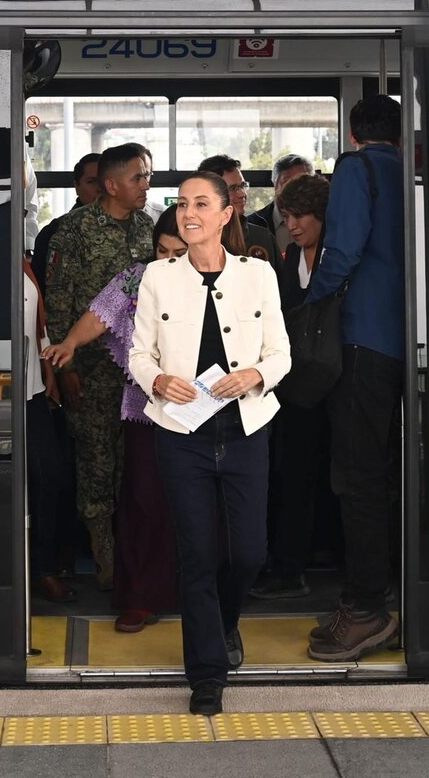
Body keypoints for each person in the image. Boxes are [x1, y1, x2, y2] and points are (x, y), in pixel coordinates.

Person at [128, 172, 291, 716]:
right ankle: (206, 676)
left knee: (249, 551)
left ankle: (225, 623)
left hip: (245, 428)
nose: (187, 213)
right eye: (180, 205)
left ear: (227, 214)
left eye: (201, 204)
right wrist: (156, 381)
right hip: (182, 433)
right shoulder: (157, 276)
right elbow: (138, 355)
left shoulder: (259, 274)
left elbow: (281, 354)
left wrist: (254, 376)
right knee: (196, 554)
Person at [42, 207, 183, 633]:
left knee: (195, 508)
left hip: (206, 413)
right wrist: (68, 344)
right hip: (146, 409)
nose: (168, 260)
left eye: (178, 252)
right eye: (161, 250)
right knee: (142, 501)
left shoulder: (222, 278)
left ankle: (199, 593)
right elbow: (101, 313)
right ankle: (139, 596)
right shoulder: (139, 276)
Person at [305, 94, 404, 662]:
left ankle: (367, 607)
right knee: (384, 470)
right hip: (408, 342)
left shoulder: (356, 167)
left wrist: (310, 306)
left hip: (363, 340)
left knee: (356, 473)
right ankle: (385, 592)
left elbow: (340, 252)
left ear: (352, 132)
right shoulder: (410, 168)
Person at [45, 143, 154, 590]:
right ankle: (104, 557)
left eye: (148, 176)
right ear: (111, 185)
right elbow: (59, 302)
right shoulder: (73, 231)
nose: (146, 185)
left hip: (141, 372)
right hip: (88, 367)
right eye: (138, 177)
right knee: (96, 461)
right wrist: (64, 369)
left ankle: (132, 552)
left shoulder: (149, 228)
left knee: (134, 463)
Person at [249, 173, 336, 601]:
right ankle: (289, 564)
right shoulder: (289, 258)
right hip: (294, 385)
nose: (294, 225)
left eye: (301, 216)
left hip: (330, 383)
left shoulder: (335, 259)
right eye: (287, 216)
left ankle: (301, 560)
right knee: (293, 475)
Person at [24, 258, 77, 604]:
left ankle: (43, 567)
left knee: (51, 476)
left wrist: (48, 374)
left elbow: (37, 325)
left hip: (33, 389)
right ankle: (34, 570)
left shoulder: (23, 265)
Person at [31, 152, 101, 297]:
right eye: (91, 181)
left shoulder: (135, 227)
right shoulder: (55, 232)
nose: (99, 188)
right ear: (77, 186)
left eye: (104, 181)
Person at [197, 155, 282, 272]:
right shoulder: (193, 238)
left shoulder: (262, 238)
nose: (242, 194)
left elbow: (279, 287)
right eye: (232, 188)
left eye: (242, 186)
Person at [247, 154, 315, 254]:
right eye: (287, 182)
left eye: (302, 182)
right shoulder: (252, 224)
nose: (295, 189)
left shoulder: (324, 221)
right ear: (275, 185)